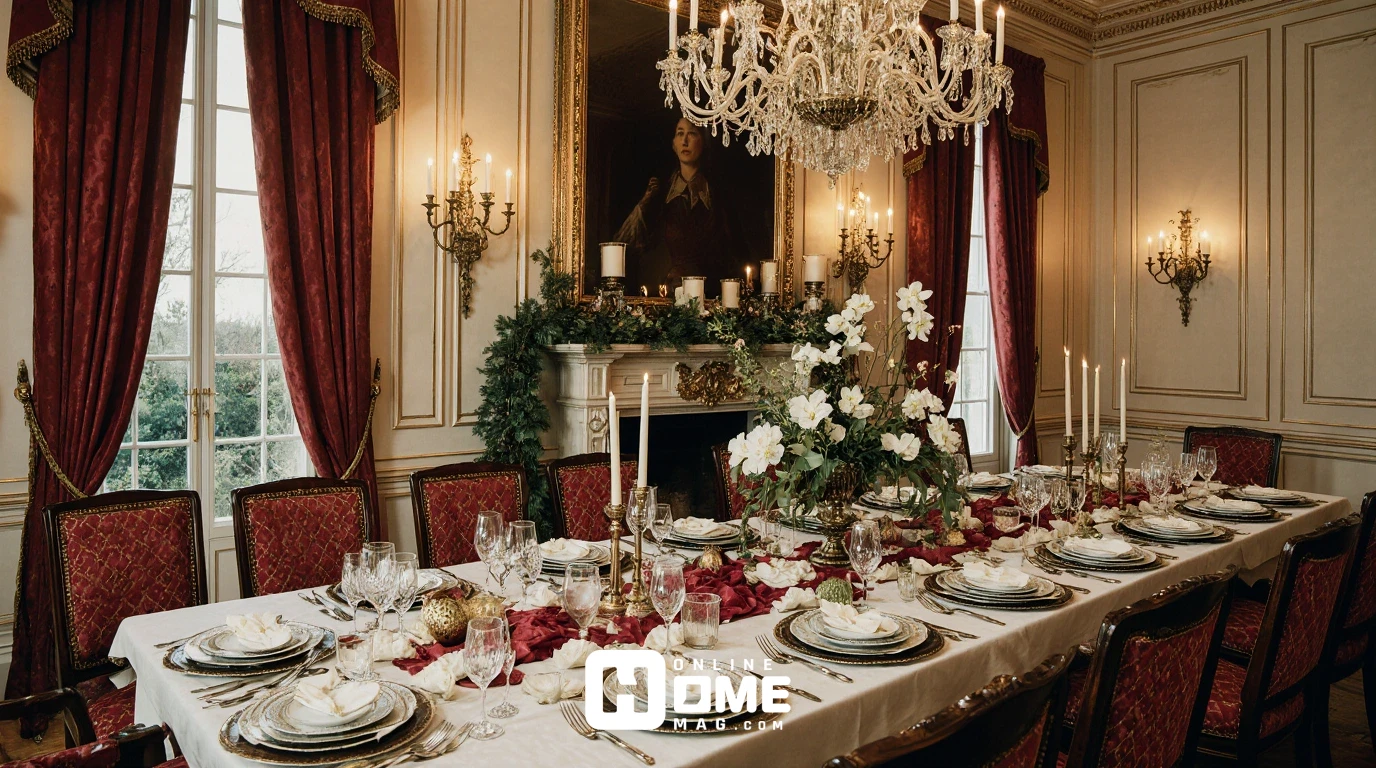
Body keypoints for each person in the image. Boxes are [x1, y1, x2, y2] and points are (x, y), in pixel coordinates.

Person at [613, 118, 751, 292]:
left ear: (704, 142)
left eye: (692, 133)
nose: (685, 141)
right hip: (667, 289)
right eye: (680, 134)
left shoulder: (718, 194)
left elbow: (736, 250)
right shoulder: (658, 193)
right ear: (673, 143)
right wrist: (645, 203)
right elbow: (625, 245)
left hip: (711, 291)